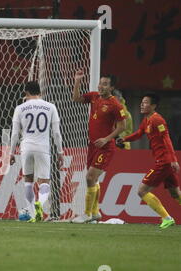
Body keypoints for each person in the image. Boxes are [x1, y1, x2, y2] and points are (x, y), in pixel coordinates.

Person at [116, 93, 180, 229]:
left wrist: (173, 160)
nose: (141, 104)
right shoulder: (147, 120)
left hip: (164, 162)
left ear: (153, 106)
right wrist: (125, 139)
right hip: (164, 162)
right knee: (175, 193)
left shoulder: (158, 120)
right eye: (142, 102)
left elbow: (166, 139)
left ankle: (167, 218)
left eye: (145, 102)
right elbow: (139, 133)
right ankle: (167, 218)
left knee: (142, 191)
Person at [72, 70, 126, 223]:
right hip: (92, 145)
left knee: (90, 177)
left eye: (105, 84)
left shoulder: (115, 104)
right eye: (100, 83)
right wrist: (77, 81)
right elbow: (76, 99)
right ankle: (95, 213)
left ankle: (87, 214)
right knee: (93, 179)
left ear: (111, 87)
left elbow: (122, 126)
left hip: (106, 147)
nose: (101, 86)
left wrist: (106, 139)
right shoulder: (94, 96)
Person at [9, 81, 63, 222]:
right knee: (44, 182)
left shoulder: (20, 108)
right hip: (43, 148)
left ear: (26, 93)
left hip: (26, 147)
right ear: (40, 92)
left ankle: (32, 214)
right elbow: (56, 133)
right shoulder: (50, 107)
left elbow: (15, 134)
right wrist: (60, 151)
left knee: (28, 180)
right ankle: (40, 203)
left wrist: (11, 152)